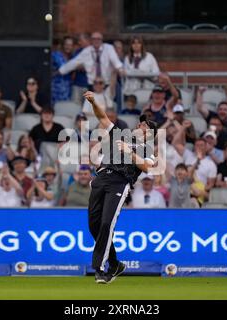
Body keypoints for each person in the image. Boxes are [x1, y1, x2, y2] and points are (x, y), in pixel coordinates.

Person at [83, 91, 157, 284]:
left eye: (144, 125)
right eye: (140, 123)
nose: (139, 125)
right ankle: (115, 263)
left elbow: (147, 167)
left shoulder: (147, 149)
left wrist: (130, 152)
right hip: (101, 178)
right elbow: (102, 117)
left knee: (107, 223)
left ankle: (99, 268)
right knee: (94, 226)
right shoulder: (121, 135)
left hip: (119, 182)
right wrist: (93, 101)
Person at [57, 31, 124, 88]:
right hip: (92, 85)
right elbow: (73, 63)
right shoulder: (87, 51)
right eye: (94, 39)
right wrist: (60, 71)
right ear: (91, 40)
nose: (96, 41)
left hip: (106, 83)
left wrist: (120, 69)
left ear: (101, 40)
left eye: (98, 39)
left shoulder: (108, 48)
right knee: (91, 103)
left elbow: (116, 61)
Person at [183, 138, 217, 207]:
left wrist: (200, 190)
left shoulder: (211, 164)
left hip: (199, 193)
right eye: (197, 145)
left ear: (206, 147)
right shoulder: (188, 157)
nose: (199, 147)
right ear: (194, 147)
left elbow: (210, 185)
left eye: (201, 145)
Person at [52, 36, 74, 104]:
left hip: (68, 89)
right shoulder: (55, 55)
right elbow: (47, 71)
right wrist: (58, 72)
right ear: (63, 45)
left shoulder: (72, 57)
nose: (68, 47)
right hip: (56, 89)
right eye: (66, 44)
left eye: (70, 45)